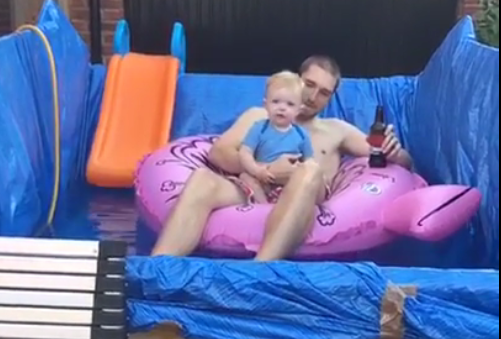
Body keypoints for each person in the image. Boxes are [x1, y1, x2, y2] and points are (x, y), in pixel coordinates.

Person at [152, 55, 413, 261]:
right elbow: (218, 153)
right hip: (252, 190)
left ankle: (260, 271)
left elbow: (391, 159)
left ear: (331, 97)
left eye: (323, 92)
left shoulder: (337, 130)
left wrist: (396, 152)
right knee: (201, 179)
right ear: (297, 80)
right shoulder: (259, 117)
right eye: (309, 85)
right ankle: (154, 272)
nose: (312, 97)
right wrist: (265, 170)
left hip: (303, 196)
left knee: (309, 171)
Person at [238, 70, 315, 204]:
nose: (282, 108)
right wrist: (257, 171)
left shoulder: (301, 135)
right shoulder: (259, 128)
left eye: (290, 104)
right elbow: (245, 152)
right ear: (265, 105)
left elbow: (309, 161)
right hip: (262, 179)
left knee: (304, 182)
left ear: (298, 110)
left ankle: (284, 206)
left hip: (287, 183)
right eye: (276, 102)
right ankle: (262, 206)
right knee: (245, 176)